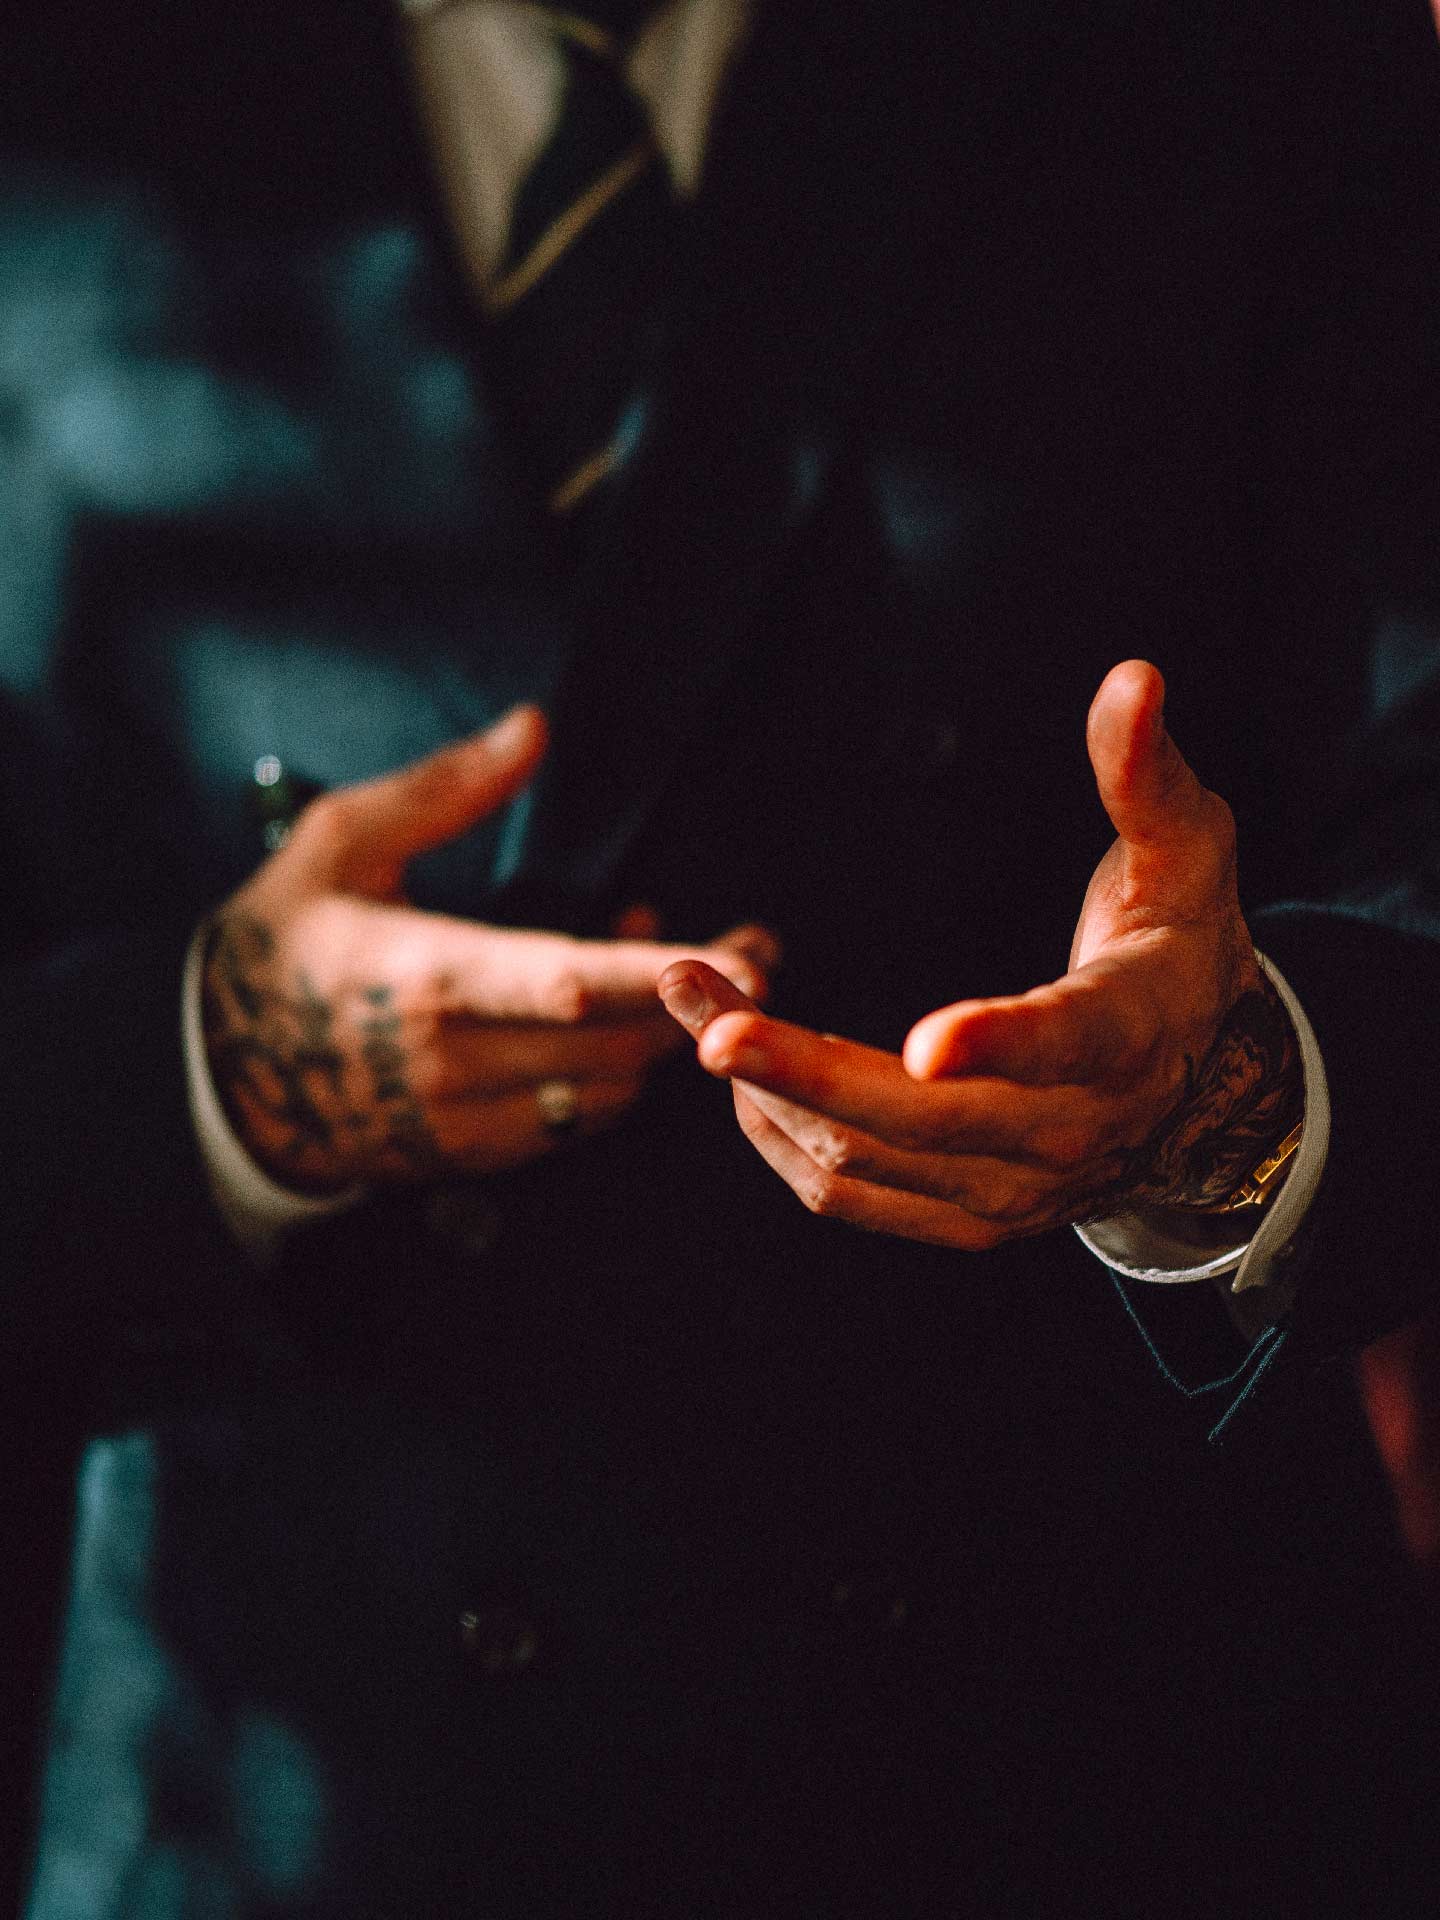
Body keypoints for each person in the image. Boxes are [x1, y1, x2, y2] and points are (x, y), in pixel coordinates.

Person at [5, 0, 1440, 1912]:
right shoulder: (59, 91)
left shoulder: (1254, 51)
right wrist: (212, 1072)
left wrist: (1238, 1090)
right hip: (297, 1774)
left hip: (1092, 1746)